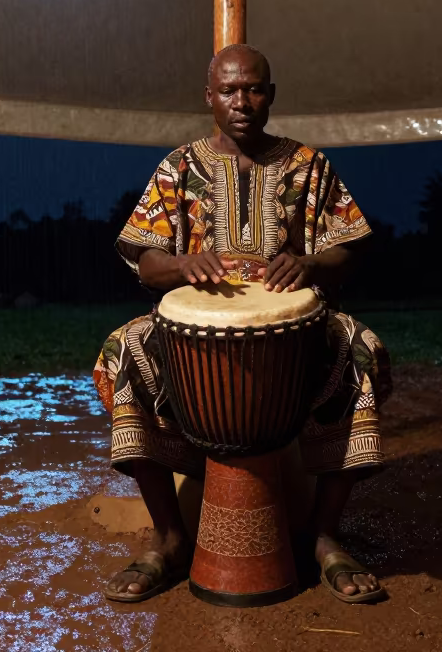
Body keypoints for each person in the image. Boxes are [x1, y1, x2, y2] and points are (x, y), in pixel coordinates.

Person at [95, 44, 391, 605]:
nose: (242, 101)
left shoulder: (309, 165)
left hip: (298, 338)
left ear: (271, 94)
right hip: (190, 342)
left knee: (362, 348)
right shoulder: (180, 166)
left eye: (253, 88)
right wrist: (183, 263)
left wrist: (310, 262)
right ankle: (170, 537)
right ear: (209, 97)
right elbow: (142, 257)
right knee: (121, 349)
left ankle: (326, 537)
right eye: (229, 90)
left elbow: (351, 249)